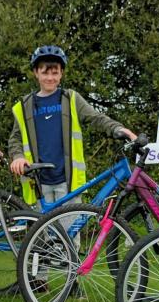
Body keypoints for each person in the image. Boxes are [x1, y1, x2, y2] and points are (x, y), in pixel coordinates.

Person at [8, 45, 135, 207]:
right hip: (39, 182)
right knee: (43, 232)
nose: (50, 78)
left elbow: (96, 118)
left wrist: (118, 129)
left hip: (68, 181)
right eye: (45, 72)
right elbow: (15, 138)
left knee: (70, 232)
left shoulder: (71, 99)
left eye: (55, 73)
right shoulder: (24, 106)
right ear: (36, 73)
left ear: (61, 74)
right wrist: (18, 156)